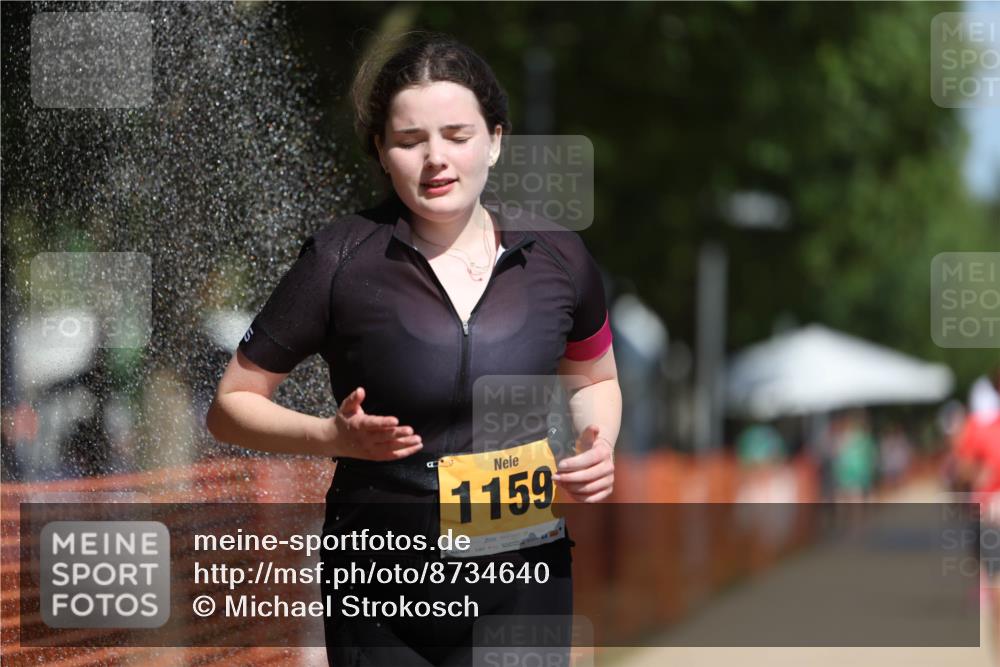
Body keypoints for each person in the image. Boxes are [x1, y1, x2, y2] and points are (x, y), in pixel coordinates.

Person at [207, 33, 622, 667]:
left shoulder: (558, 255)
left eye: (458, 135)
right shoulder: (340, 257)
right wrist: (331, 438)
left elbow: (594, 378)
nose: (436, 159)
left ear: (496, 140)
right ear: (380, 150)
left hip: (517, 555)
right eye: (409, 141)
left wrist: (599, 442)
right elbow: (231, 403)